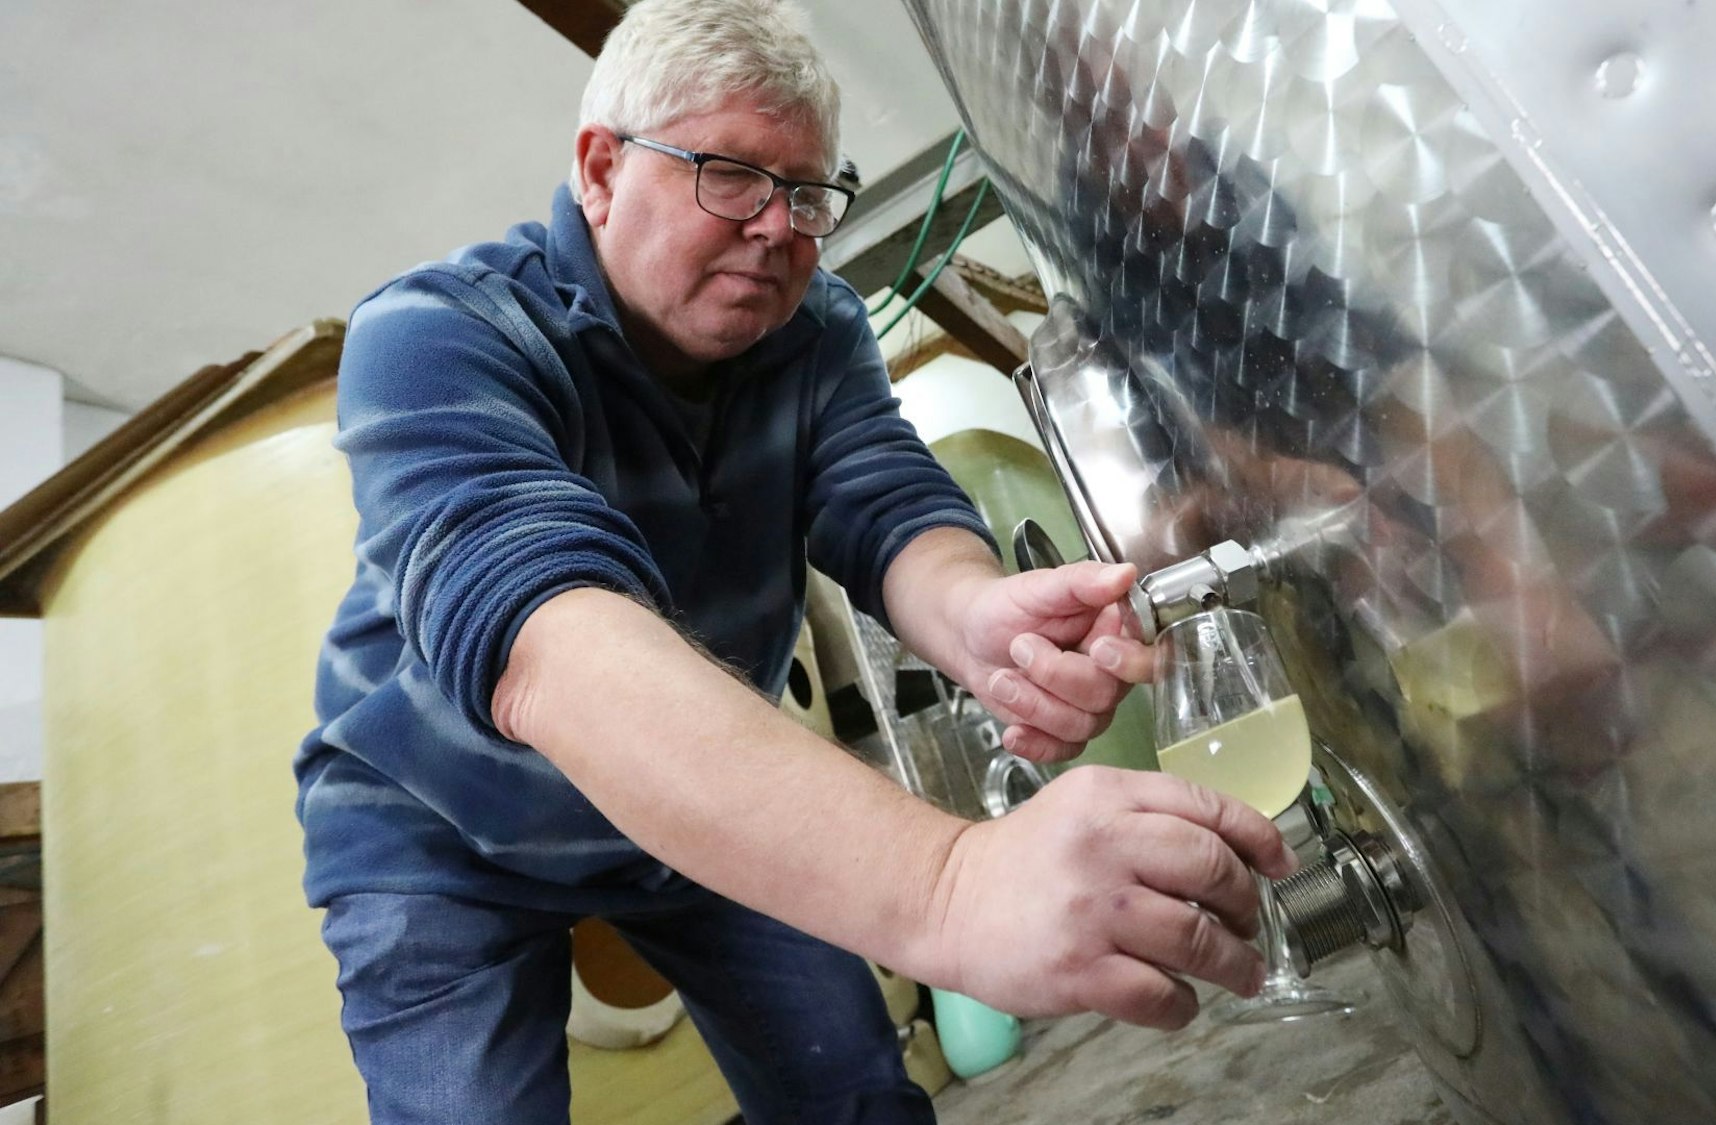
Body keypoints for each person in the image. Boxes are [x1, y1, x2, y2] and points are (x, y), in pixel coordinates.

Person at [292, 1, 1295, 1121]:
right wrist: (949, 888)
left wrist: (978, 621)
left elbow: (878, 498)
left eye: (807, 194)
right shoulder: (438, 334)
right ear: (601, 168)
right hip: (442, 826)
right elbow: (540, 636)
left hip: (702, 798)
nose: (776, 226)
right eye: (728, 174)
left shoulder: (816, 328)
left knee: (853, 1096)